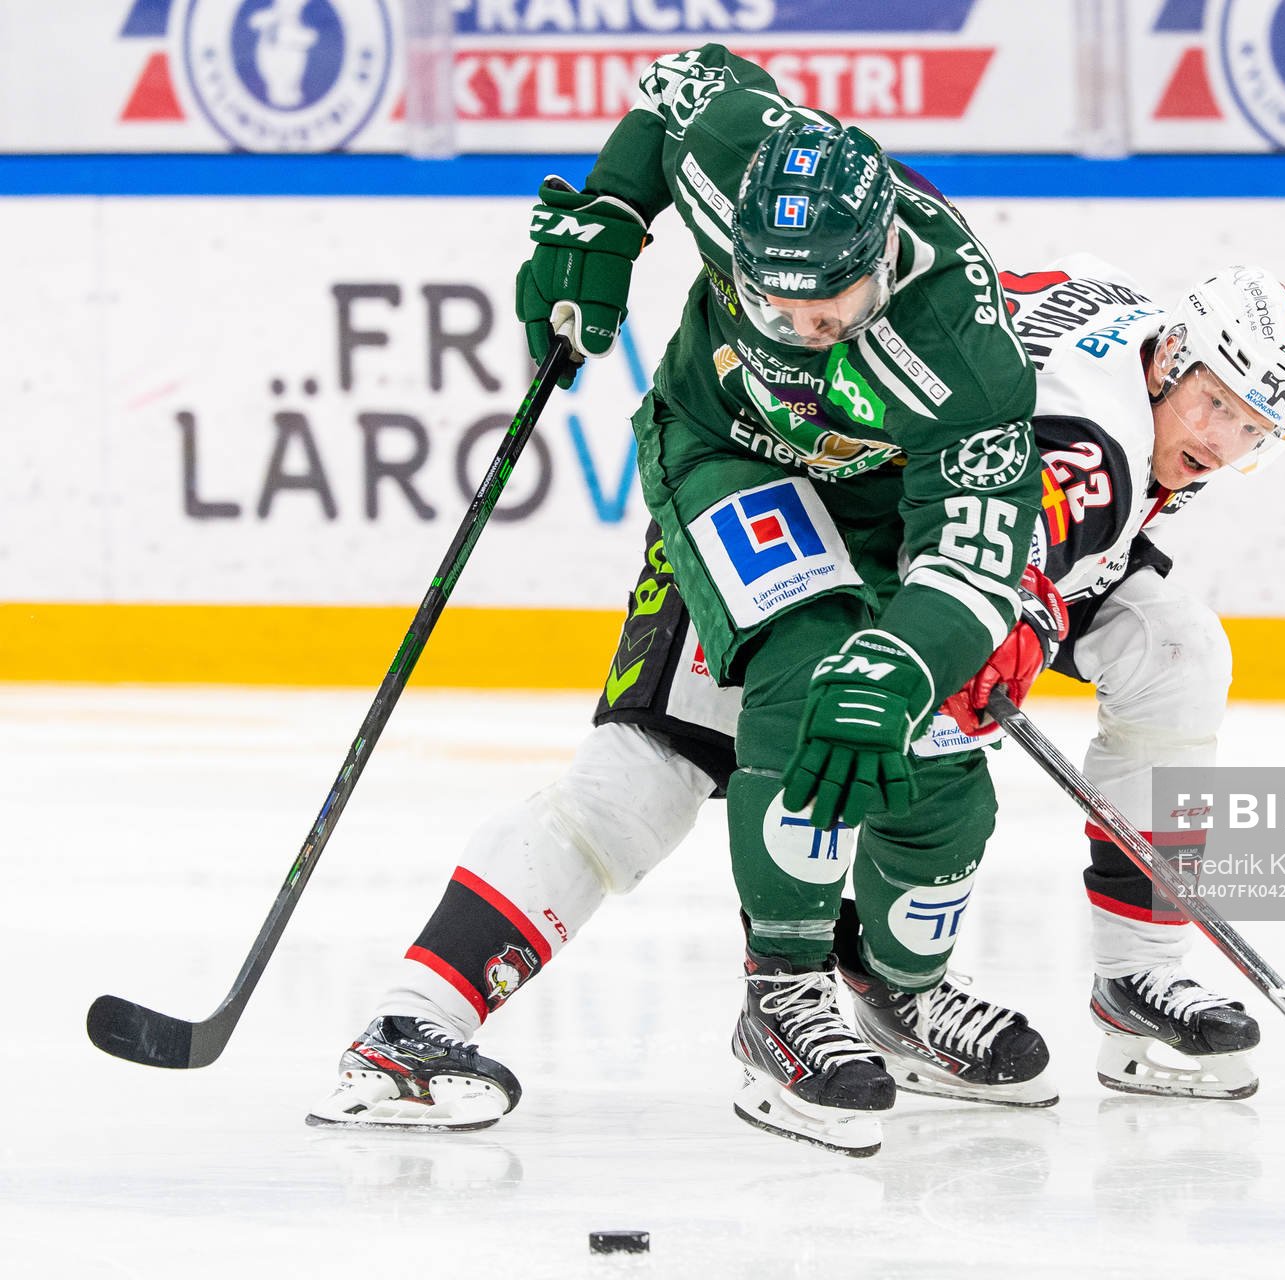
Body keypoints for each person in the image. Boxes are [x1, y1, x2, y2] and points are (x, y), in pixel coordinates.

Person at [307, 246, 1285, 1142]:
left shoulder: (1132, 346)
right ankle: (411, 1022)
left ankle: (1105, 974)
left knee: (1174, 649)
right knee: (643, 785)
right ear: (1170, 357)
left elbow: (1031, 519)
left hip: (920, 526)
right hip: (792, 508)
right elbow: (1030, 527)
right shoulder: (1094, 436)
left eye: (1254, 426)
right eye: (1214, 406)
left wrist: (1022, 620)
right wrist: (1012, 623)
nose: (1224, 441)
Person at [312, 44, 1052, 1158]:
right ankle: (779, 999)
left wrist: (903, 666)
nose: (803, 328)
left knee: (927, 761)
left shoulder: (964, 344)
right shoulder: (732, 157)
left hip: (889, 516)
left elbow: (975, 556)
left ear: (885, 254)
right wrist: (610, 211)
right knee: (734, 718)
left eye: (834, 302)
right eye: (773, 299)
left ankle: (901, 994)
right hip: (726, 460)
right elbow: (678, 83)